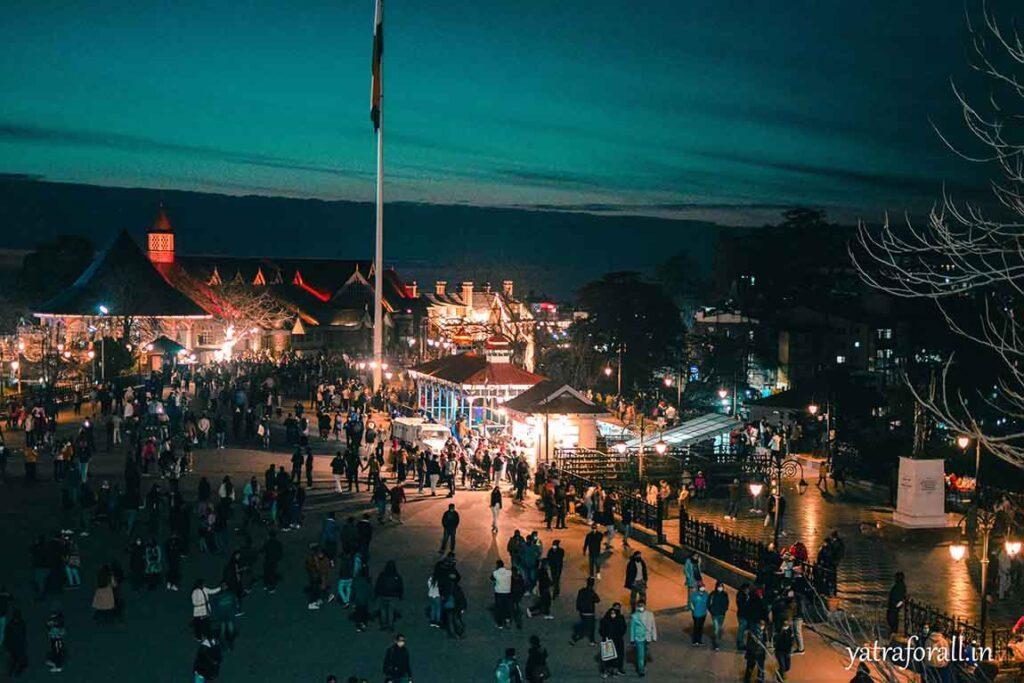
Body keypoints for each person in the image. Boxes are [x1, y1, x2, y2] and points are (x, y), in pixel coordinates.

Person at [630, 599, 657, 678]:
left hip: (647, 637)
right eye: (639, 606)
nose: (640, 607)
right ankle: (641, 670)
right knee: (640, 654)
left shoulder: (650, 614)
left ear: (645, 606)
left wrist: (654, 636)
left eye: (642, 606)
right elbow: (632, 628)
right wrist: (632, 639)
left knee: (644, 653)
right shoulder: (634, 616)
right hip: (638, 637)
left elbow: (653, 626)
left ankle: (642, 665)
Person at [375, 560, 405, 631]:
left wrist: (376, 594)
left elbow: (378, 585)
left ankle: (383, 624)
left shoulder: (382, 575)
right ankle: (390, 625)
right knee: (391, 611)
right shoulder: (397, 576)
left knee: (383, 610)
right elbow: (400, 586)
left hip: (383, 595)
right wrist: (400, 595)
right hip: (393, 595)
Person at [598, 603, 626, 678]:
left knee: (617, 656)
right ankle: (606, 671)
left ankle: (615, 670)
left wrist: (619, 635)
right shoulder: (605, 619)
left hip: (617, 640)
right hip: (608, 640)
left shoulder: (620, 618)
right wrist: (605, 636)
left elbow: (623, 628)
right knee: (607, 657)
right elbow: (601, 630)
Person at [570, 577, 600, 645]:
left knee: (583, 625)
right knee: (591, 627)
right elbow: (598, 600)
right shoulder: (592, 592)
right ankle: (592, 641)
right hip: (590, 612)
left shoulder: (581, 591)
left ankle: (574, 638)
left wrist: (579, 608)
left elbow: (578, 600)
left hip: (582, 612)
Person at [709, 580, 730, 651]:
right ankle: (716, 644)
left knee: (719, 627)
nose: (720, 588)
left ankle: (717, 637)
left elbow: (727, 602)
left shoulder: (725, 594)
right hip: (715, 614)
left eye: (721, 586)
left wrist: (725, 609)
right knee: (716, 629)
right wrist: (711, 610)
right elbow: (709, 603)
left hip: (722, 614)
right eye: (719, 586)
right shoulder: (713, 594)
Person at [44, 606, 66, 673]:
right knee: (54, 650)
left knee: (57, 651)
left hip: (57, 638)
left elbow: (54, 625)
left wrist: (51, 624)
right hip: (54, 637)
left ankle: (58, 666)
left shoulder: (58, 621)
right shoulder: (56, 620)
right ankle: (55, 662)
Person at [492, 559, 512, 628]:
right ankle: (508, 620)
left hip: (499, 592)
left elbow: (491, 578)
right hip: (507, 592)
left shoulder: (495, 573)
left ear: (497, 566)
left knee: (499, 608)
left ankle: (500, 623)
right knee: (507, 607)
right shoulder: (509, 572)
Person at [688, 581, 708, 646]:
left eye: (703, 587)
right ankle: (695, 641)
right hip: (696, 614)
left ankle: (699, 641)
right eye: (702, 587)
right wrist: (694, 610)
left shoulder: (706, 594)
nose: (703, 588)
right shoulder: (694, 595)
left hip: (703, 613)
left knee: (700, 628)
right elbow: (691, 603)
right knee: (696, 628)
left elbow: (708, 602)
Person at [886, 571, 907, 636]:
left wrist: (896, 605)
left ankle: (893, 632)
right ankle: (893, 632)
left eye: (896, 577)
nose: (895, 579)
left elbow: (901, 598)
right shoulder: (900, 585)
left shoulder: (900, 586)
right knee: (891, 619)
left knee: (893, 619)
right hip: (894, 605)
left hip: (894, 605)